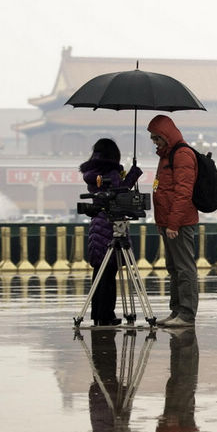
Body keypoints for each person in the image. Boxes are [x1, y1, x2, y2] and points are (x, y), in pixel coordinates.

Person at [80, 138, 142, 326]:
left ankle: (98, 314)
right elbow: (119, 192)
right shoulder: (111, 171)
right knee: (108, 273)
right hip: (110, 224)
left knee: (99, 272)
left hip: (97, 222)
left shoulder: (92, 172)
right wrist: (133, 174)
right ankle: (107, 315)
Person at [148, 115, 198, 327]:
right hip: (168, 222)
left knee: (184, 268)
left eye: (157, 138)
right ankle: (176, 310)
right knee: (174, 268)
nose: (155, 143)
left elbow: (183, 193)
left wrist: (173, 224)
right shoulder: (166, 156)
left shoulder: (182, 155)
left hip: (180, 224)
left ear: (166, 136)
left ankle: (186, 314)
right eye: (152, 139)